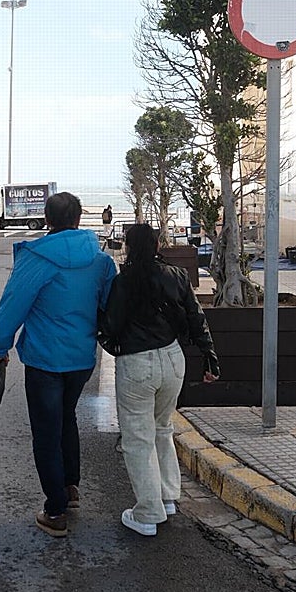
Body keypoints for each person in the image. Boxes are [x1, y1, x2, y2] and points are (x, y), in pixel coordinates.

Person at [0, 192, 117, 537]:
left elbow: (13, 304)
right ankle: (70, 488)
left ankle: (55, 510)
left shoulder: (37, 258)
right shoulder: (100, 260)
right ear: (78, 219)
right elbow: (108, 304)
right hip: (82, 359)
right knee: (66, 418)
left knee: (46, 431)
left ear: (47, 219)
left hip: (45, 360)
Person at [103, 223, 219, 537]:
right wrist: (209, 355)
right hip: (172, 359)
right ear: (157, 246)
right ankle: (167, 497)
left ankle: (147, 513)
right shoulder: (177, 276)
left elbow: (110, 325)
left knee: (137, 439)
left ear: (129, 248)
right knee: (162, 428)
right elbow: (196, 316)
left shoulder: (123, 281)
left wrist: (113, 346)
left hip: (137, 364)